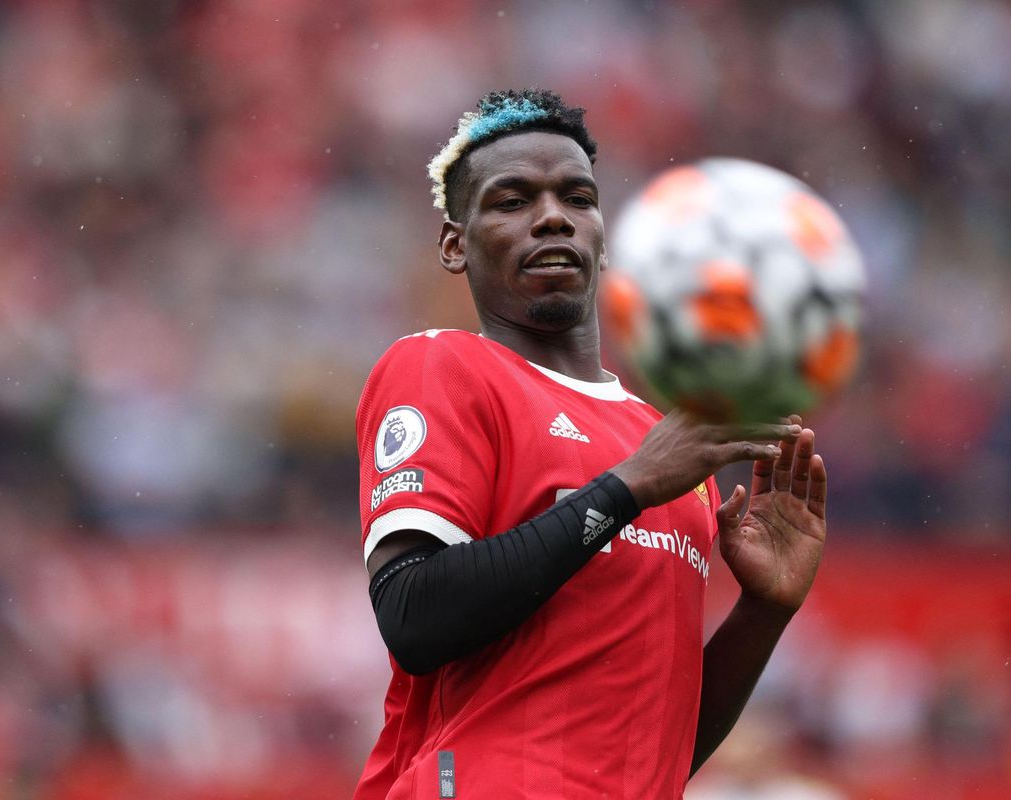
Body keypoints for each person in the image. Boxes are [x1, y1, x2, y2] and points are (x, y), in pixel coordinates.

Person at [354, 89, 828, 799]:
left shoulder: (665, 447)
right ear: (455, 245)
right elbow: (414, 615)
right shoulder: (444, 366)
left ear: (602, 239)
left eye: (577, 198)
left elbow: (656, 750)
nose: (553, 216)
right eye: (512, 200)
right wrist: (626, 488)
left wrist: (764, 612)